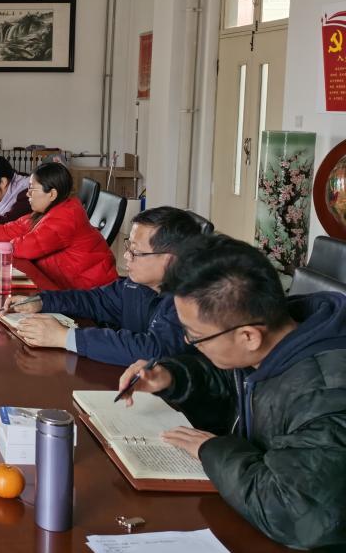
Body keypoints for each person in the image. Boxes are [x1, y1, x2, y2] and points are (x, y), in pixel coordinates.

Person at [117, 235, 346, 550]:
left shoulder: (328, 398)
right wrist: (173, 377)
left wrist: (211, 450)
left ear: (249, 336)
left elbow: (295, 513)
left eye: (195, 335)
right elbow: (235, 387)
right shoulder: (279, 334)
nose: (186, 342)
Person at [5, 206, 201, 366]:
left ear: (170, 260)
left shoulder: (191, 300)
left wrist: (64, 337)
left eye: (136, 251)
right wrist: (43, 301)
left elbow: (153, 351)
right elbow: (96, 300)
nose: (126, 256)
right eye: (129, 246)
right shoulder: (137, 284)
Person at [0, 162, 116, 290]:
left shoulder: (66, 217)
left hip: (91, 293)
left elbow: (25, 247)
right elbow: (10, 229)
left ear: (52, 194)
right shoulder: (48, 210)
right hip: (63, 283)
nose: (27, 194)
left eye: (32, 189)